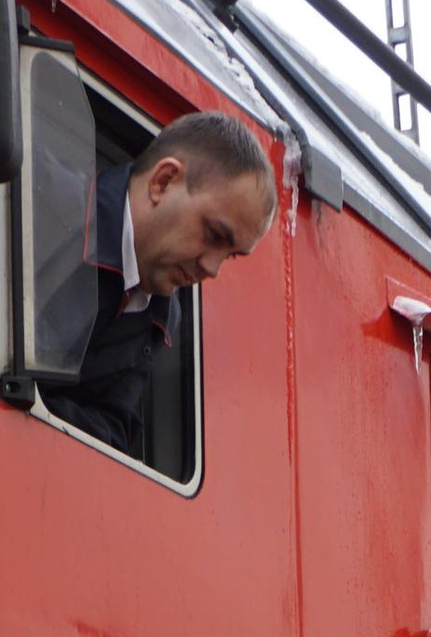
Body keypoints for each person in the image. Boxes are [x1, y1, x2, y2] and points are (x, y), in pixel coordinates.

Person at [44, 111, 276, 457]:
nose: (212, 269)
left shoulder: (161, 316)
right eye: (214, 234)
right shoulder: (41, 200)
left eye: (230, 255)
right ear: (163, 182)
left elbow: (110, 429)